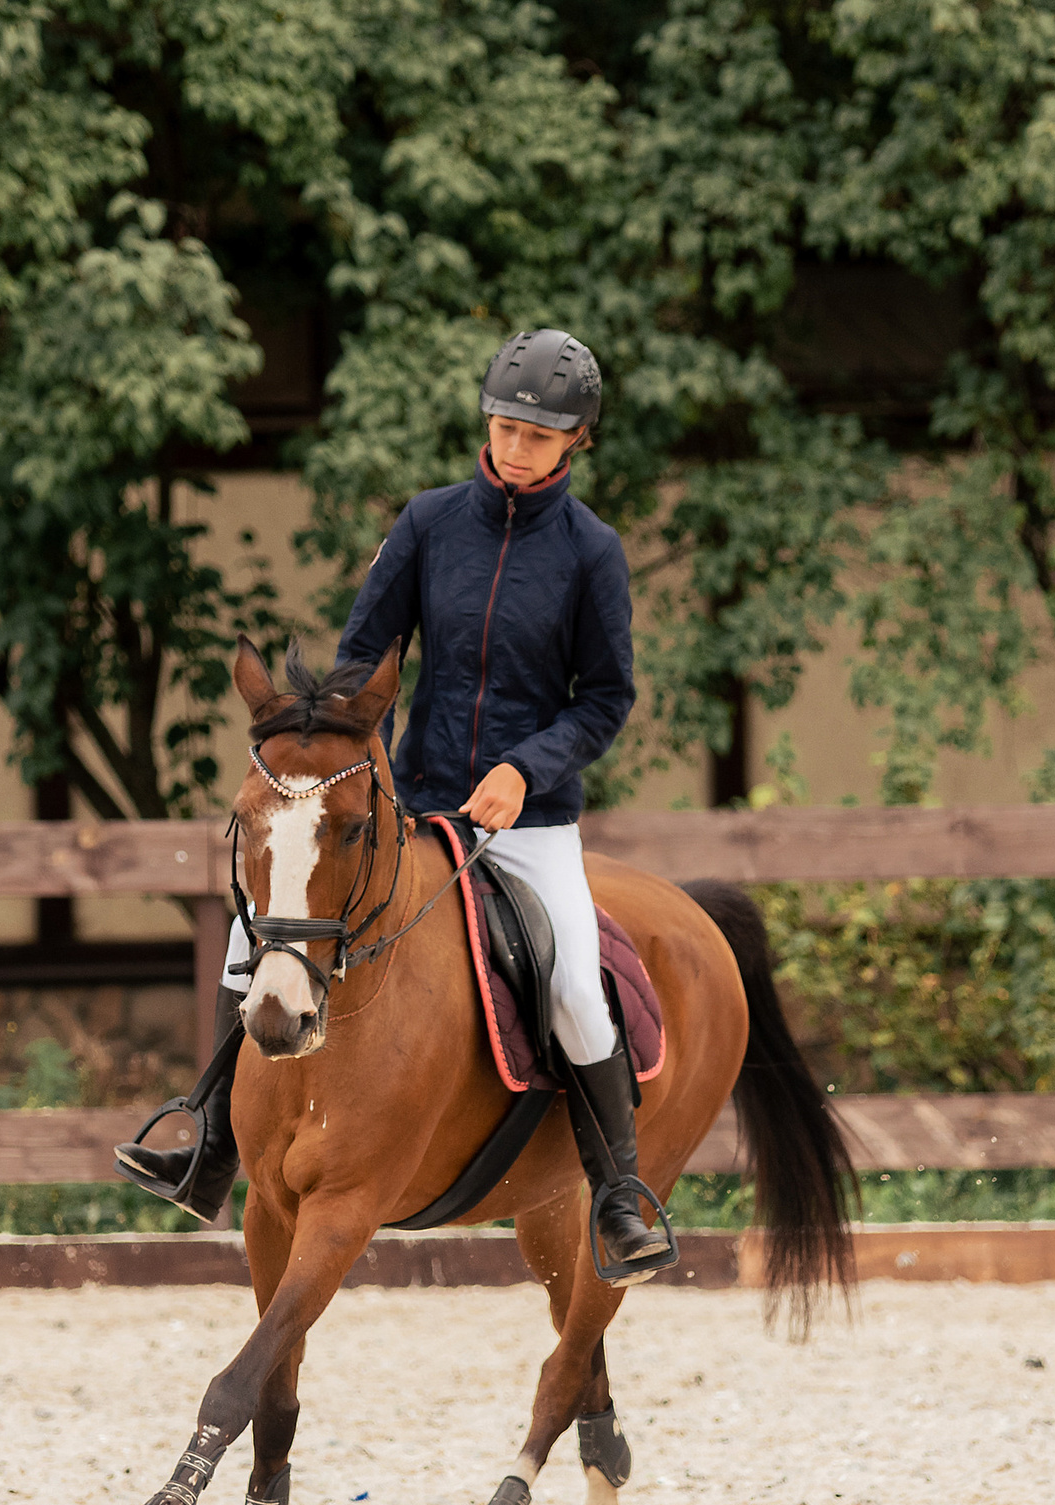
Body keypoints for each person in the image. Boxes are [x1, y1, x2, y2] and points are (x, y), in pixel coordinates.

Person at [118, 328, 676, 1281]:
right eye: (504, 427)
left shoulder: (592, 552)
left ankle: (619, 1193)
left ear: (577, 440)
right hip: (412, 804)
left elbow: (606, 698)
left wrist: (527, 769)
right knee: (254, 934)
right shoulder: (429, 524)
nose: (515, 448)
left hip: (528, 820)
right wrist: (331, 758)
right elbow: (361, 662)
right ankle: (209, 1139)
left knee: (575, 985)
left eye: (539, 436)